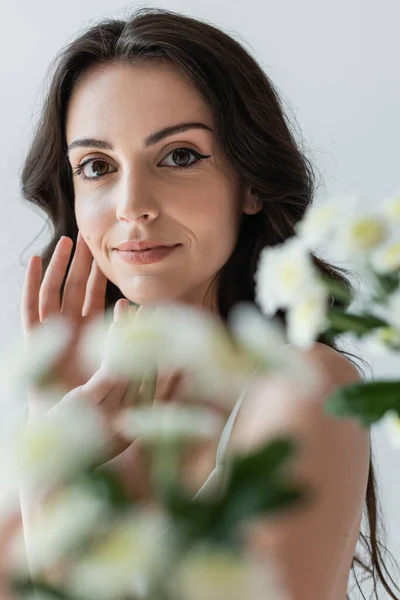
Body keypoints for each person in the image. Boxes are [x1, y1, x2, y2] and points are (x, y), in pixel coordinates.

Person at [13, 6, 399, 600]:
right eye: (97, 167)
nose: (132, 205)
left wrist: (53, 486)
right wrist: (51, 426)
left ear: (249, 182)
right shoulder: (72, 407)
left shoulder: (307, 389)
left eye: (179, 156)